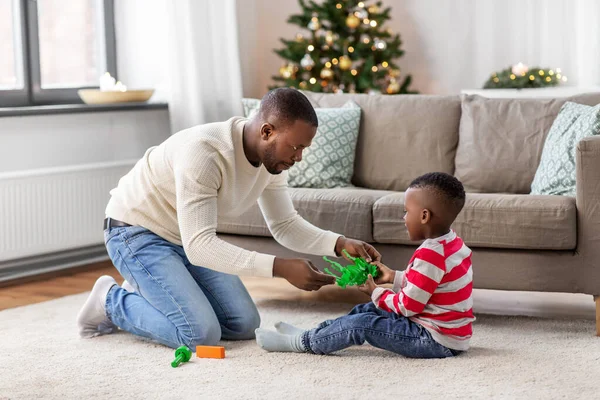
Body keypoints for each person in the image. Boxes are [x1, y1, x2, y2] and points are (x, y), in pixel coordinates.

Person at [76, 88, 381, 349]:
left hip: (183, 236)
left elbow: (285, 224)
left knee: (244, 323)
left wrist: (339, 244)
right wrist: (281, 267)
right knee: (200, 334)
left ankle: (151, 289)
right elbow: (201, 247)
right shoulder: (205, 153)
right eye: (296, 146)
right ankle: (111, 300)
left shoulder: (271, 160)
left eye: (304, 148)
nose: (299, 156)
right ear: (267, 131)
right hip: (135, 232)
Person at [256, 172, 474, 358]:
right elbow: (429, 285)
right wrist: (392, 277)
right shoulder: (450, 244)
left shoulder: (430, 254)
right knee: (367, 310)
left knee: (361, 324)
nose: (404, 217)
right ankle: (315, 332)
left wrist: (375, 292)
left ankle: (302, 343)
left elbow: (409, 306)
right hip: (446, 332)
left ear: (424, 216)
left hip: (433, 339)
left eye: (407, 211)